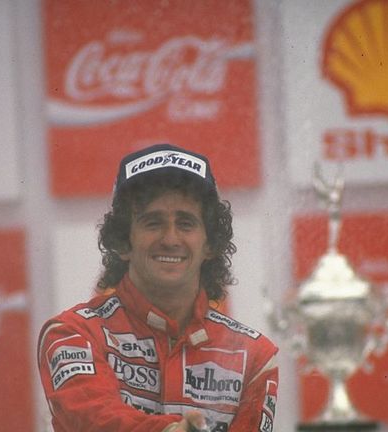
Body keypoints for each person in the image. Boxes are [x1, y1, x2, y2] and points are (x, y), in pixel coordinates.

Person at [37, 143, 279, 432]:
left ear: (211, 244)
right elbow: (96, 421)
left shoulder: (254, 355)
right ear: (123, 242)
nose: (170, 238)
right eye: (153, 223)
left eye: (186, 223)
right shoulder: (72, 334)